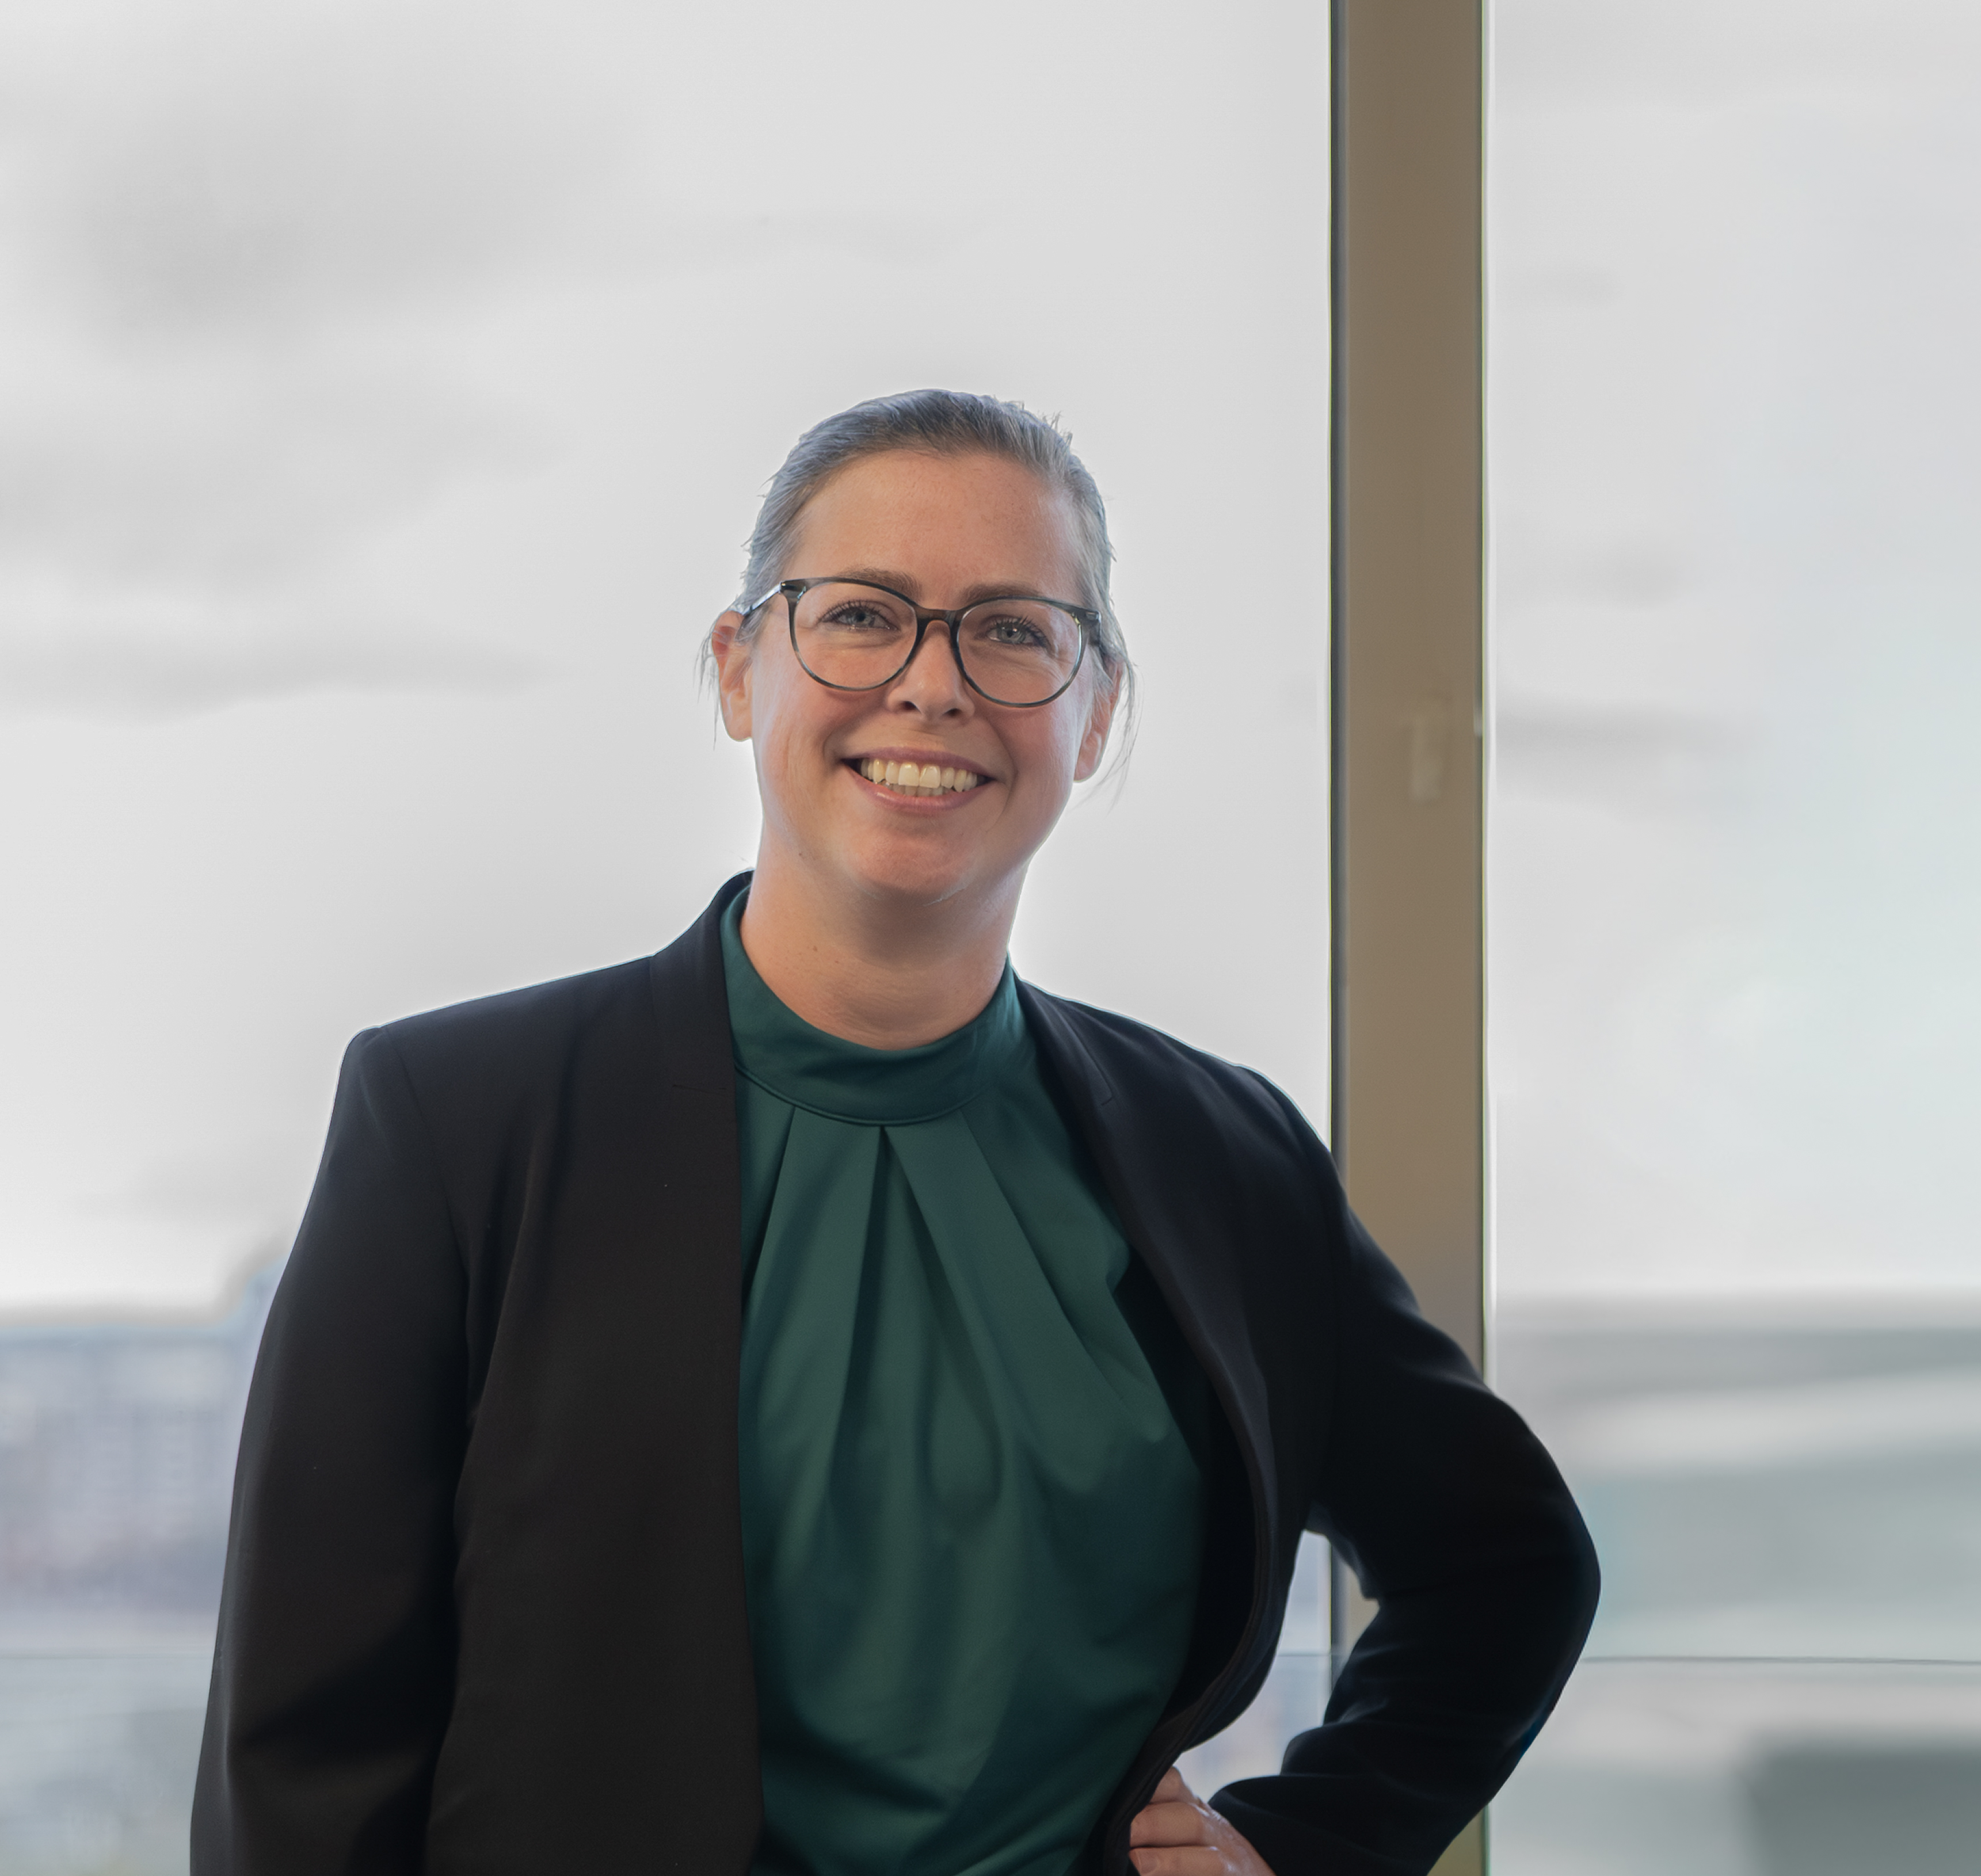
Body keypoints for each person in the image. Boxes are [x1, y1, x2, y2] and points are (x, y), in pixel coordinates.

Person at [191, 390, 1597, 1876]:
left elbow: (1505, 1567)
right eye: (861, 615)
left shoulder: (1225, 1156)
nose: (932, 686)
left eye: (1013, 630)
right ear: (739, 669)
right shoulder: (456, 1123)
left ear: (1095, 709)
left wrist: (1295, 1846)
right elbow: (303, 1760)